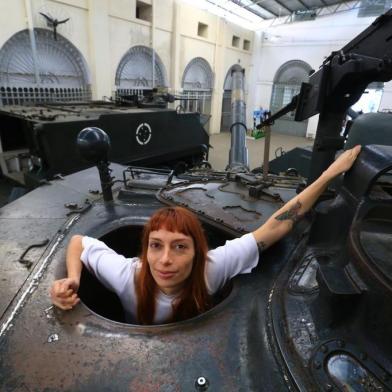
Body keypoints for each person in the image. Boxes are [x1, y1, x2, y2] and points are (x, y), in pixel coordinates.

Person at [50, 145, 361, 325]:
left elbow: (278, 225)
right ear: (144, 251)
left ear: (198, 253)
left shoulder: (212, 267)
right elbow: (79, 243)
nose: (165, 260)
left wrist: (328, 175)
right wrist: (74, 280)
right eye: (155, 246)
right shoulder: (128, 275)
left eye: (180, 247)